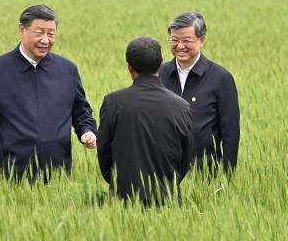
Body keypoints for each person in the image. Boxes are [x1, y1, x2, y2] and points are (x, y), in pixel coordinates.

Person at [0, 4, 97, 183]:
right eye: (39, 32)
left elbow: (81, 111)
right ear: (21, 30)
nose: (45, 40)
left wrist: (87, 130)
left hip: (58, 175)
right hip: (12, 175)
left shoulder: (67, 70)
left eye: (51, 34)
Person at [97, 37, 193, 206]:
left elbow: (104, 154)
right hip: (168, 202)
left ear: (129, 67)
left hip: (123, 201)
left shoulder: (113, 103)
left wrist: (119, 183)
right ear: (161, 62)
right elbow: (185, 159)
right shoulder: (181, 106)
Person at [158, 11, 240, 176]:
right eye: (174, 40)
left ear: (202, 40)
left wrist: (227, 177)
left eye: (187, 40)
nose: (179, 46)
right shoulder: (160, 74)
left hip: (206, 174)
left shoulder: (220, 78)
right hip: (163, 173)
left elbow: (230, 133)